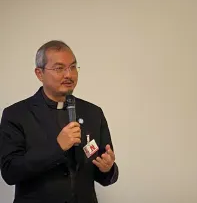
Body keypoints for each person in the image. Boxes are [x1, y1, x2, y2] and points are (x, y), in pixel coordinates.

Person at [0, 40, 119, 203]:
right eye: (59, 68)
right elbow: (10, 172)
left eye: (72, 67)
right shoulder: (16, 114)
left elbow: (103, 171)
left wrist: (108, 169)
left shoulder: (93, 112)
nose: (68, 74)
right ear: (39, 73)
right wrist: (57, 147)